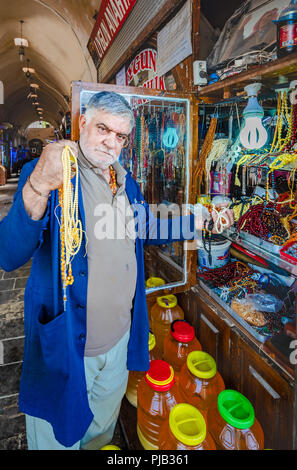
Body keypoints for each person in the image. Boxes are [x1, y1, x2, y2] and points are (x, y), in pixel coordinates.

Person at [0, 92, 233, 450]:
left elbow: (145, 228)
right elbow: (9, 253)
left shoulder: (125, 181)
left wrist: (198, 219)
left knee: (101, 432)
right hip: (68, 343)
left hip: (119, 341)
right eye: (103, 128)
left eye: (121, 135)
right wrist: (37, 186)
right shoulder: (54, 174)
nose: (111, 142)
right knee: (56, 439)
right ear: (82, 124)